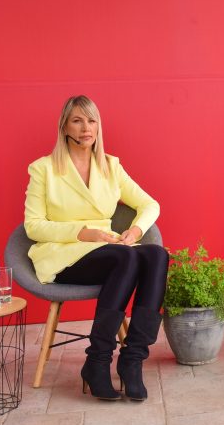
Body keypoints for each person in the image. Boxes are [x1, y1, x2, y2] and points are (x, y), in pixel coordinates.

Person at [24, 95, 167, 402]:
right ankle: (98, 361)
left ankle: (133, 360)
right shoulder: (43, 169)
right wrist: (81, 233)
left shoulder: (110, 166)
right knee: (126, 258)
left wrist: (135, 231)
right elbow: (32, 226)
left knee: (156, 254)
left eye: (91, 121)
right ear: (64, 126)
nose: (85, 127)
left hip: (110, 250)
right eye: (77, 120)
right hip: (64, 254)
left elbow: (150, 204)